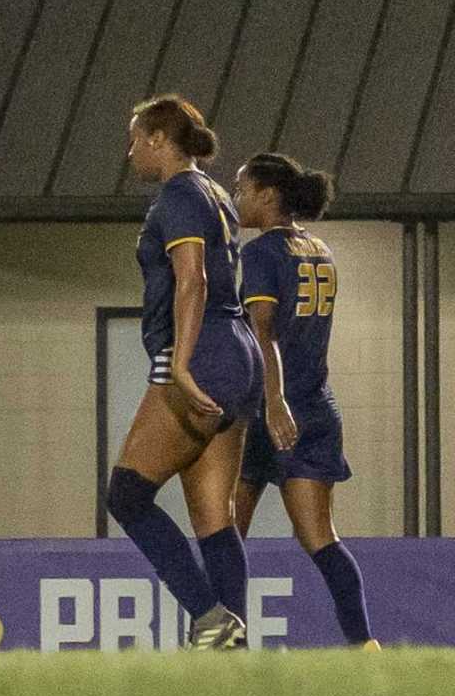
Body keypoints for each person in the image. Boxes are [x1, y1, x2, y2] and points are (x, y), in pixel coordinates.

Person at [104, 95, 261, 651]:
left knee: (126, 495)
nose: (130, 153)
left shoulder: (177, 196)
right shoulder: (217, 194)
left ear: (157, 139)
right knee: (212, 516)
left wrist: (184, 367)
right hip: (241, 354)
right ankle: (233, 647)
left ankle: (210, 617)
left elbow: (191, 282)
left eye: (134, 140)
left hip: (204, 354)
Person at [234, 152, 378, 650]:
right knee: (321, 538)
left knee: (226, 536)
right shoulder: (318, 249)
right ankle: (364, 647)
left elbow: (264, 330)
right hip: (316, 406)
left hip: (268, 410)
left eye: (242, 189)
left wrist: (272, 401)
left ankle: (221, 646)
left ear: (267, 196)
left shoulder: (259, 254)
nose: (237, 199)